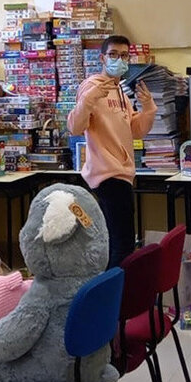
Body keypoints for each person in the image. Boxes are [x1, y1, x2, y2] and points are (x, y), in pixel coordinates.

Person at [67, 35, 156, 268]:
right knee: (122, 245)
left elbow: (134, 130)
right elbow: (75, 127)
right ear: (102, 58)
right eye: (114, 54)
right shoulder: (91, 86)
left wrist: (148, 109)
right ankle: (117, 299)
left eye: (124, 55)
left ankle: (113, 296)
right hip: (108, 175)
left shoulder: (120, 92)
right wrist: (87, 100)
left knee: (119, 243)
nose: (119, 60)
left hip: (123, 173)